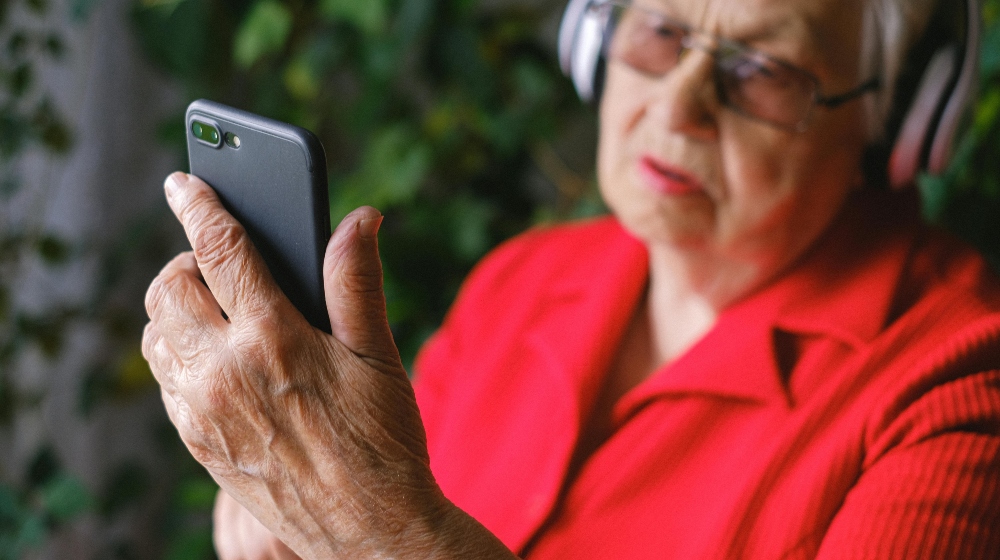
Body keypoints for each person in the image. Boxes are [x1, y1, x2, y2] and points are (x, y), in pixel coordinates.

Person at [142, 0, 1000, 558]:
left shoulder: (958, 388)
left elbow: (376, 522)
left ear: (897, 124)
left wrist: (369, 526)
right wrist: (299, 521)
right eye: (658, 31)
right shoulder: (523, 280)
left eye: (765, 72)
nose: (675, 107)